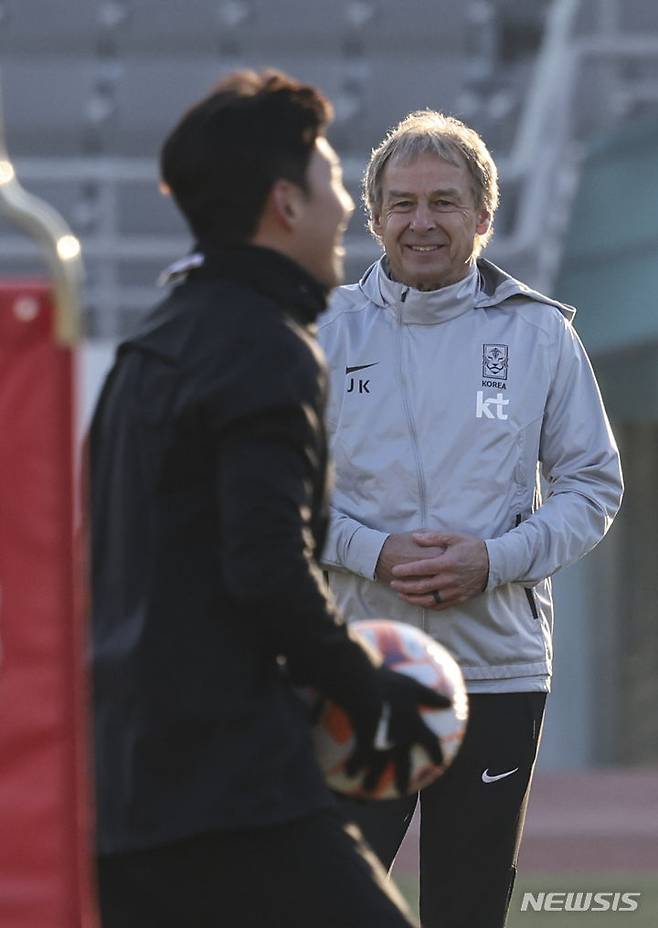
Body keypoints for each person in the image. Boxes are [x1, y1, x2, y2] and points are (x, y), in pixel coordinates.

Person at [89, 72, 450, 928]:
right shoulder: (265, 348)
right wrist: (370, 693)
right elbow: (267, 568)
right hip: (235, 794)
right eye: (331, 184)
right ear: (285, 204)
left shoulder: (150, 343)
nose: (346, 213)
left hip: (121, 790)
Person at [317, 110, 624, 928]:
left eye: (445, 203)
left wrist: (497, 559)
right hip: (361, 663)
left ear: (483, 218)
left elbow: (592, 485)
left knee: (469, 906)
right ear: (374, 216)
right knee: (333, 900)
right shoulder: (320, 330)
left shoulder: (541, 333)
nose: (422, 223)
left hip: (498, 671)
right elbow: (277, 496)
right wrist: (370, 551)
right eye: (404, 203)